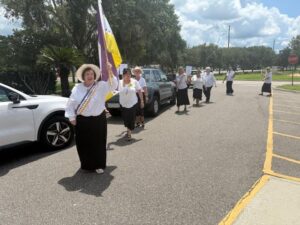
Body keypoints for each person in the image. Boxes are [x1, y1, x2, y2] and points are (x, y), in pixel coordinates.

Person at [65, 64, 118, 174]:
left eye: (92, 74)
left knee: (98, 143)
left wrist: (110, 71)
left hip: (98, 119)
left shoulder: (101, 85)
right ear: (83, 76)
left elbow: (113, 85)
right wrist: (71, 117)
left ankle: (99, 165)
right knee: (83, 143)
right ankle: (87, 165)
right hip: (82, 120)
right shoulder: (77, 88)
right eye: (87, 74)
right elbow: (71, 103)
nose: (90, 76)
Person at [119, 68, 144, 140]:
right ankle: (128, 128)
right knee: (125, 119)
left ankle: (129, 132)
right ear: (123, 75)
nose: (128, 76)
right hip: (123, 104)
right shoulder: (119, 82)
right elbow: (113, 90)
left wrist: (142, 101)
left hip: (133, 103)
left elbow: (139, 91)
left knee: (131, 118)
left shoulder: (134, 82)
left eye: (129, 74)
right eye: (126, 74)